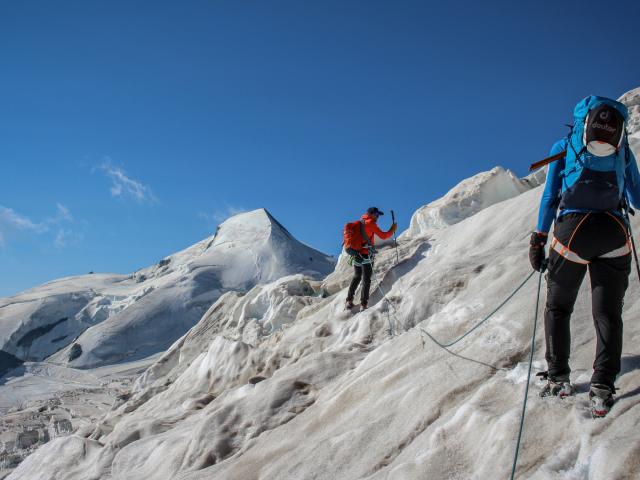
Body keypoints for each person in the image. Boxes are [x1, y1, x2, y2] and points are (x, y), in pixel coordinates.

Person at [529, 95, 640, 416]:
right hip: (614, 232)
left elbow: (551, 196)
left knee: (559, 307)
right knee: (607, 313)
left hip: (572, 233)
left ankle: (559, 378)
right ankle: (602, 386)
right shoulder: (623, 151)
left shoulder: (564, 146)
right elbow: (637, 195)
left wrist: (538, 238)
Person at [346, 207, 397, 311]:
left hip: (356, 254)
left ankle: (349, 301)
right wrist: (392, 229)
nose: (378, 217)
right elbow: (383, 236)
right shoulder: (370, 223)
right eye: (377, 215)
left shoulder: (361, 221)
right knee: (366, 279)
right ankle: (363, 304)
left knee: (357, 276)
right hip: (365, 255)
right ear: (372, 214)